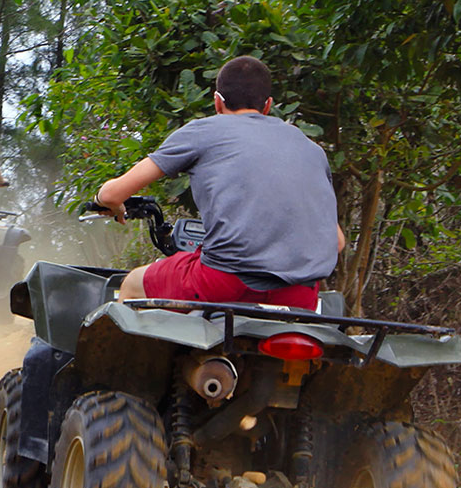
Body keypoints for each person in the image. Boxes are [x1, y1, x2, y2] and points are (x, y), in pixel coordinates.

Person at [94, 55, 345, 310]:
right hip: (298, 296)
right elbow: (337, 242)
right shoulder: (309, 148)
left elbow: (112, 194)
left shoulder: (204, 131)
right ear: (268, 105)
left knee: (133, 283)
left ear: (217, 102)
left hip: (222, 283)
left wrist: (112, 205)